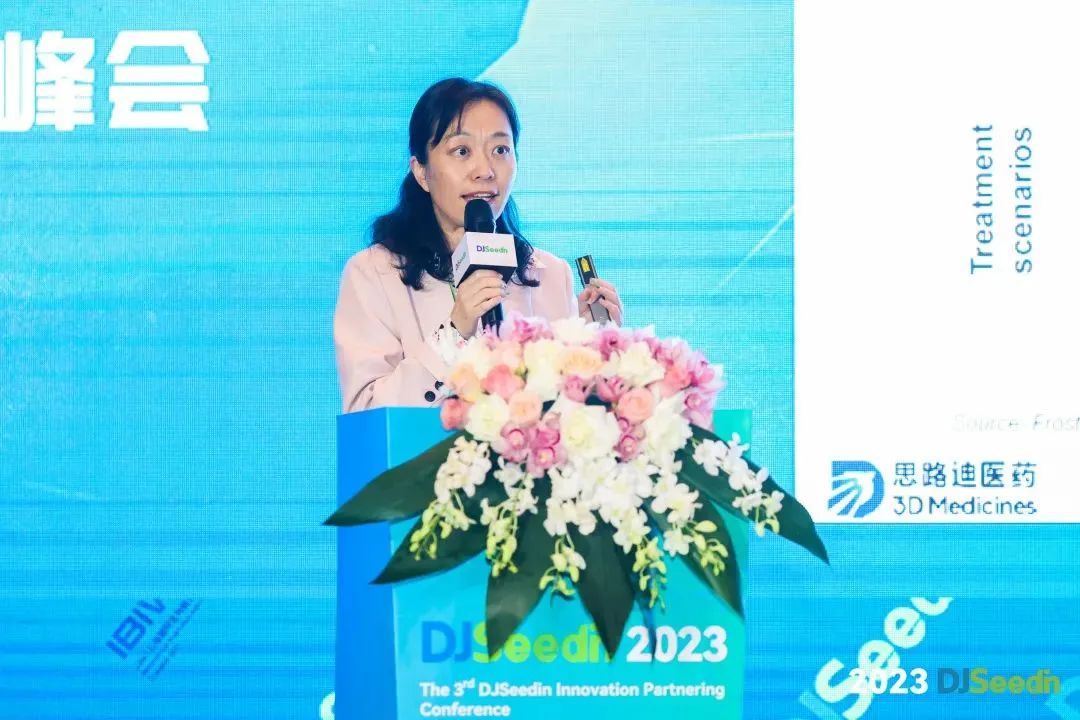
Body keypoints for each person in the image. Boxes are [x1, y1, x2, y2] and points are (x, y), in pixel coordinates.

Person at [334, 78, 624, 413]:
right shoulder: (373, 273)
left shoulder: (549, 275)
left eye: (500, 150)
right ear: (422, 172)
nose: (485, 171)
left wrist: (594, 349)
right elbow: (367, 413)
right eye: (462, 151)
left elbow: (573, 420)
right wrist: (455, 331)